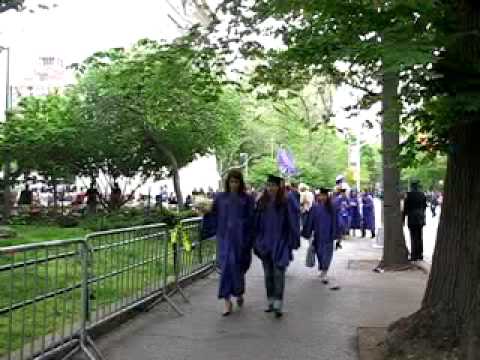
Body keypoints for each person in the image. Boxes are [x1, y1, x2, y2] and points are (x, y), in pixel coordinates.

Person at [202, 170, 255, 316]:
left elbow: (252, 219)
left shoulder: (247, 199)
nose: (234, 185)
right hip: (224, 239)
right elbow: (213, 214)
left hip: (241, 240)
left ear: (240, 182)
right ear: (227, 182)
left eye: (236, 182)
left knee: (238, 268)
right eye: (231, 182)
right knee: (226, 268)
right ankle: (226, 301)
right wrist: (204, 211)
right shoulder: (220, 197)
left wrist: (250, 238)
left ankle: (238, 293)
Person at [253, 174, 300, 318]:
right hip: (265, 242)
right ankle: (271, 301)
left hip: (281, 242)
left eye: (273, 185)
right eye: (268, 185)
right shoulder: (262, 201)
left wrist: (293, 240)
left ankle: (278, 304)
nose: (270, 188)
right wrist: (256, 240)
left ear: (279, 186)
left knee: (279, 273)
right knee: (268, 275)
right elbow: (256, 222)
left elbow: (293, 221)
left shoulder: (287, 200)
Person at [302, 187, 336, 284]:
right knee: (320, 254)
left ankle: (324, 272)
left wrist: (335, 234)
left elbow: (335, 222)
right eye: (321, 195)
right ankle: (322, 269)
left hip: (328, 235)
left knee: (327, 254)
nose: (323, 197)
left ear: (327, 196)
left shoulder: (332, 207)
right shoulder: (315, 207)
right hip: (318, 235)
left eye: (325, 195)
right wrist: (308, 232)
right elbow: (310, 221)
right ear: (319, 196)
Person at [402, 181, 427, 261]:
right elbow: (424, 206)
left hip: (412, 217)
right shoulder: (422, 194)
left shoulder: (409, 195)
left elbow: (405, 208)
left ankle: (414, 255)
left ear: (411, 187)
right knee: (420, 236)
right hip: (420, 217)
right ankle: (420, 254)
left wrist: (403, 219)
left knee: (413, 236)